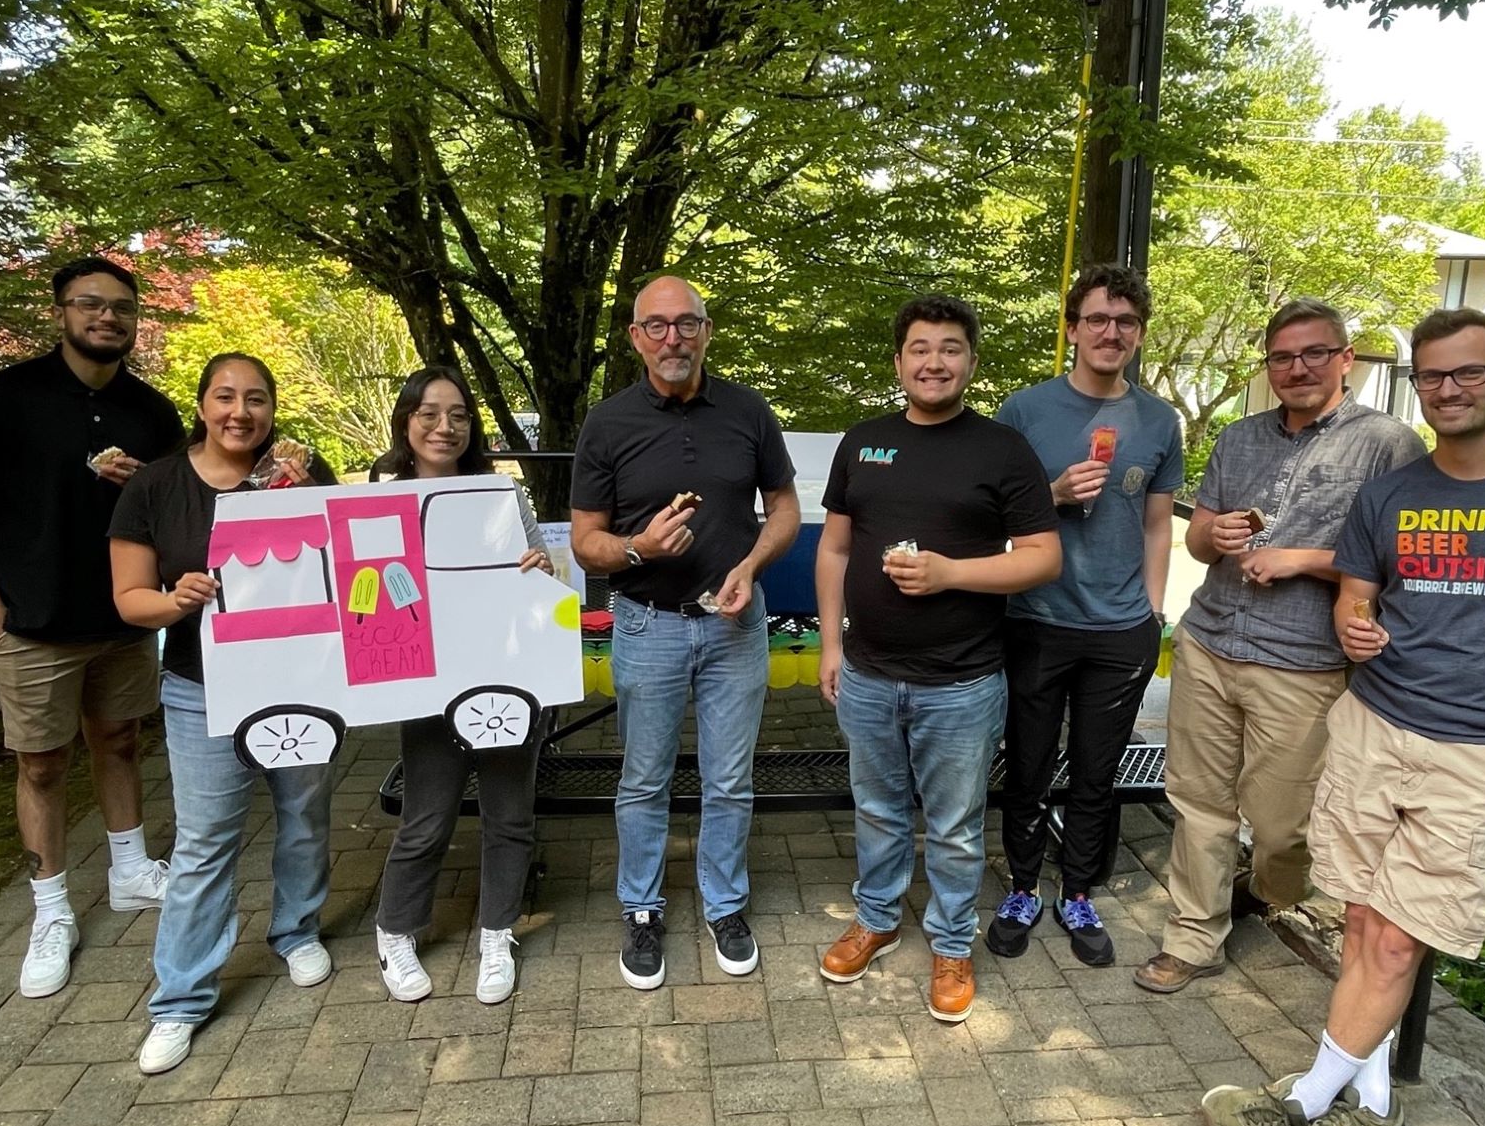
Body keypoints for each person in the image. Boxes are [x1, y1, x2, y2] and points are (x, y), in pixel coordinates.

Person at [1200, 307, 1485, 1126]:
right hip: (1374, 728)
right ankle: (1375, 1108)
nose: (1450, 389)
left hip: (1480, 753)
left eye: (1470, 372)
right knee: (1365, 921)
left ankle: (1308, 1095)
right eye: (1434, 374)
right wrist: (1354, 628)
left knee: (1400, 938)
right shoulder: (1393, 493)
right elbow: (1356, 594)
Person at [1134, 299, 1427, 995]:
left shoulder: (1388, 445)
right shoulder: (1239, 438)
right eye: (1282, 357)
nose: (1297, 368)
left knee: (1282, 825)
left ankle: (1271, 890)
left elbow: (1403, 558)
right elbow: (1198, 539)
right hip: (1210, 641)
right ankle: (1194, 936)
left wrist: (1302, 559)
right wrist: (1215, 535)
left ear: (1345, 358)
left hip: (1303, 661)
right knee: (1198, 802)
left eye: (1314, 353)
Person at [0, 256, 183, 999]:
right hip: (32, 618)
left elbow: (176, 504)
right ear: (61, 313)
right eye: (90, 304)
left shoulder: (151, 410)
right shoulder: (2, 399)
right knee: (41, 764)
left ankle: (131, 870)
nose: (107, 317)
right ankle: (50, 908)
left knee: (120, 740)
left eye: (122, 308)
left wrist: (143, 488)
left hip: (122, 614)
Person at [816, 294, 1061, 1023]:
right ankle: (878, 918)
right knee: (877, 810)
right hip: (867, 673)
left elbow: (1043, 558)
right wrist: (830, 644)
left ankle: (952, 943)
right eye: (920, 349)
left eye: (950, 348)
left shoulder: (1002, 449)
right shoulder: (863, 442)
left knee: (954, 826)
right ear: (898, 362)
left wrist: (951, 573)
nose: (934, 362)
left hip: (962, 682)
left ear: (971, 362)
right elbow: (834, 548)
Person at [109, 353, 339, 1075]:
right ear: (203, 405)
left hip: (300, 681)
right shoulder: (155, 485)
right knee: (205, 840)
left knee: (304, 815)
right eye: (226, 397)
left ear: (272, 408)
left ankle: (297, 931)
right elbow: (129, 599)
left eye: (257, 399)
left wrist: (313, 497)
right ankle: (180, 999)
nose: (241, 412)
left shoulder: (300, 473)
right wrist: (173, 600)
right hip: (200, 688)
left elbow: (349, 566)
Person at [570, 275, 800, 990]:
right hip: (648, 624)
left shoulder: (748, 410)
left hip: (735, 625)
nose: (674, 338)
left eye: (687, 323)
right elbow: (585, 543)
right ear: (636, 338)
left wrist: (752, 565)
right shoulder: (607, 422)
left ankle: (724, 905)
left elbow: (785, 509)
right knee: (644, 779)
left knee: (729, 779)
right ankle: (641, 908)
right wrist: (639, 548)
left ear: (706, 331)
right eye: (658, 326)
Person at [986, 263, 1182, 967]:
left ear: (1139, 335)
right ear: (1072, 329)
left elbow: (1158, 524)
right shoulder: (1024, 411)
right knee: (1028, 765)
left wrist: (1152, 612)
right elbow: (989, 516)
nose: (1110, 332)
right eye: (1096, 318)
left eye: (1125, 322)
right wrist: (1052, 494)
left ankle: (1077, 891)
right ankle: (1022, 887)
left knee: (1099, 773)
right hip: (1035, 618)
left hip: (1121, 629)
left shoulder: (1158, 420)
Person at [368, 367, 553, 1006]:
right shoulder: (383, 500)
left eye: (458, 415)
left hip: (505, 673)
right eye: (428, 413)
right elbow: (368, 595)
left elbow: (544, 577)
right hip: (426, 681)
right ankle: (395, 931)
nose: (444, 427)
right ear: (406, 422)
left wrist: (539, 567)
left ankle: (497, 933)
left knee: (510, 813)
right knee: (426, 815)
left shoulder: (502, 495)